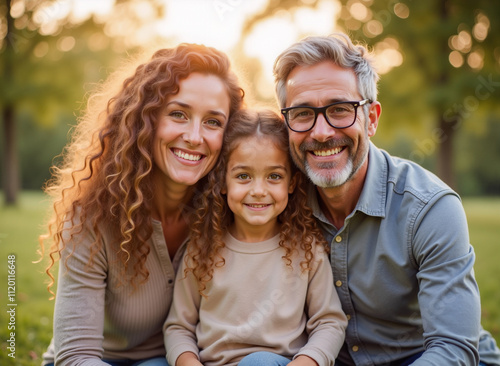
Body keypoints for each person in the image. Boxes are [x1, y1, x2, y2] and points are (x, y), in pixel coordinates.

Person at [273, 33, 500, 366]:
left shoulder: (429, 207)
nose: (321, 133)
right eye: (303, 113)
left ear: (372, 118)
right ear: (286, 125)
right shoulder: (275, 201)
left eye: (339, 110)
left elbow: (453, 350)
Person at [39, 43, 244, 366]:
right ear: (143, 121)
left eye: (213, 122)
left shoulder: (231, 213)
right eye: (178, 114)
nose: (194, 136)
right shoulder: (93, 217)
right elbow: (76, 356)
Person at [164, 109, 348, 366]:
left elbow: (330, 323)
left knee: (258, 362)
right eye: (243, 176)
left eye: (274, 176)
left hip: (276, 363)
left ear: (292, 183)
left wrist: (306, 361)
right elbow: (178, 328)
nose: (259, 191)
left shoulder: (306, 250)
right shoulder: (202, 249)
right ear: (223, 183)